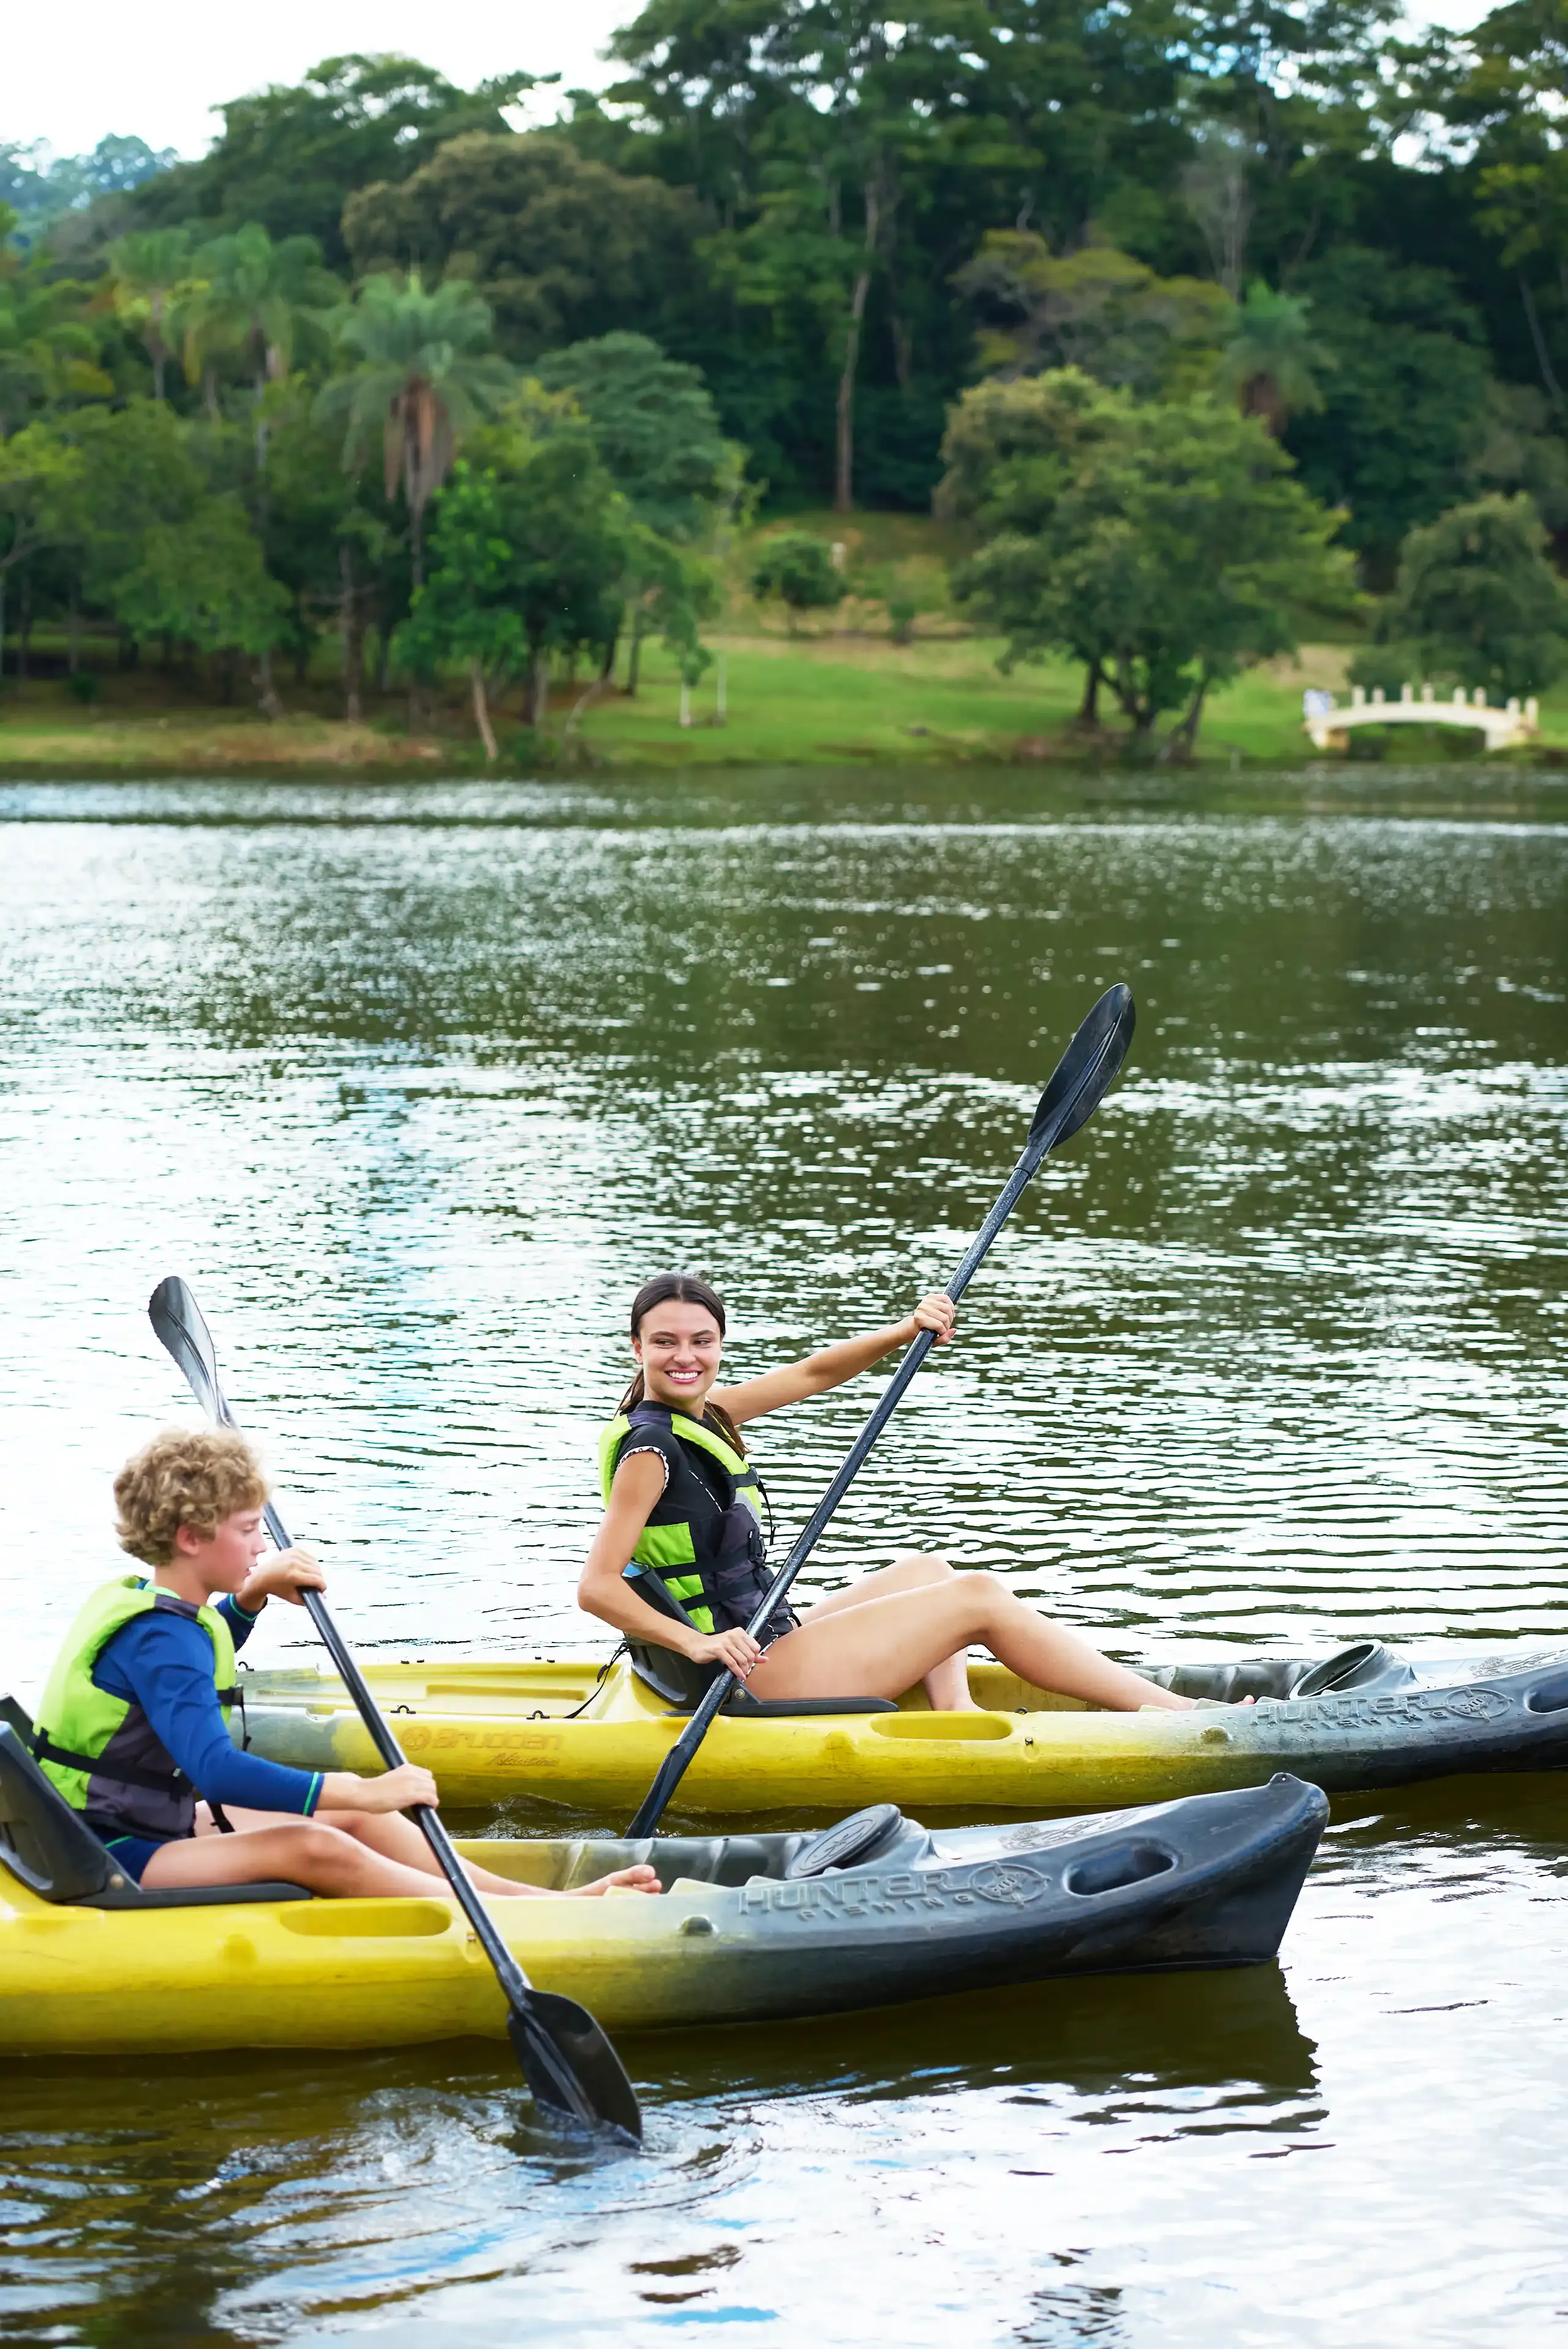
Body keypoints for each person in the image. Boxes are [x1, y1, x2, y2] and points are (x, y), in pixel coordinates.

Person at [35, 1426, 660, 1899]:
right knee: (314, 1841)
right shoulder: (163, 1639)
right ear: (191, 1539)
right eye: (250, 1529)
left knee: (345, 1816)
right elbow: (216, 1771)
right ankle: (534, 1919)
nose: (262, 1543)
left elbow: (185, 1670)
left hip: (137, 1823)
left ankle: (534, 1902)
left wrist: (248, 1599)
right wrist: (366, 1788)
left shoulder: (152, 1603)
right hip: (109, 1851)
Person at [579, 1271, 1226, 1713]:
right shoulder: (650, 1451)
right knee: (977, 1597)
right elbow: (598, 1587)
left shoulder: (704, 1414)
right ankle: (1178, 1713)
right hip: (743, 1675)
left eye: (701, 1341)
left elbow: (812, 1373)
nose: (683, 1356)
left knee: (928, 1571)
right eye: (664, 1342)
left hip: (761, 1638)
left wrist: (902, 1332)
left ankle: (956, 1714)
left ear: (721, 1345)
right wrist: (697, 1644)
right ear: (636, 1346)